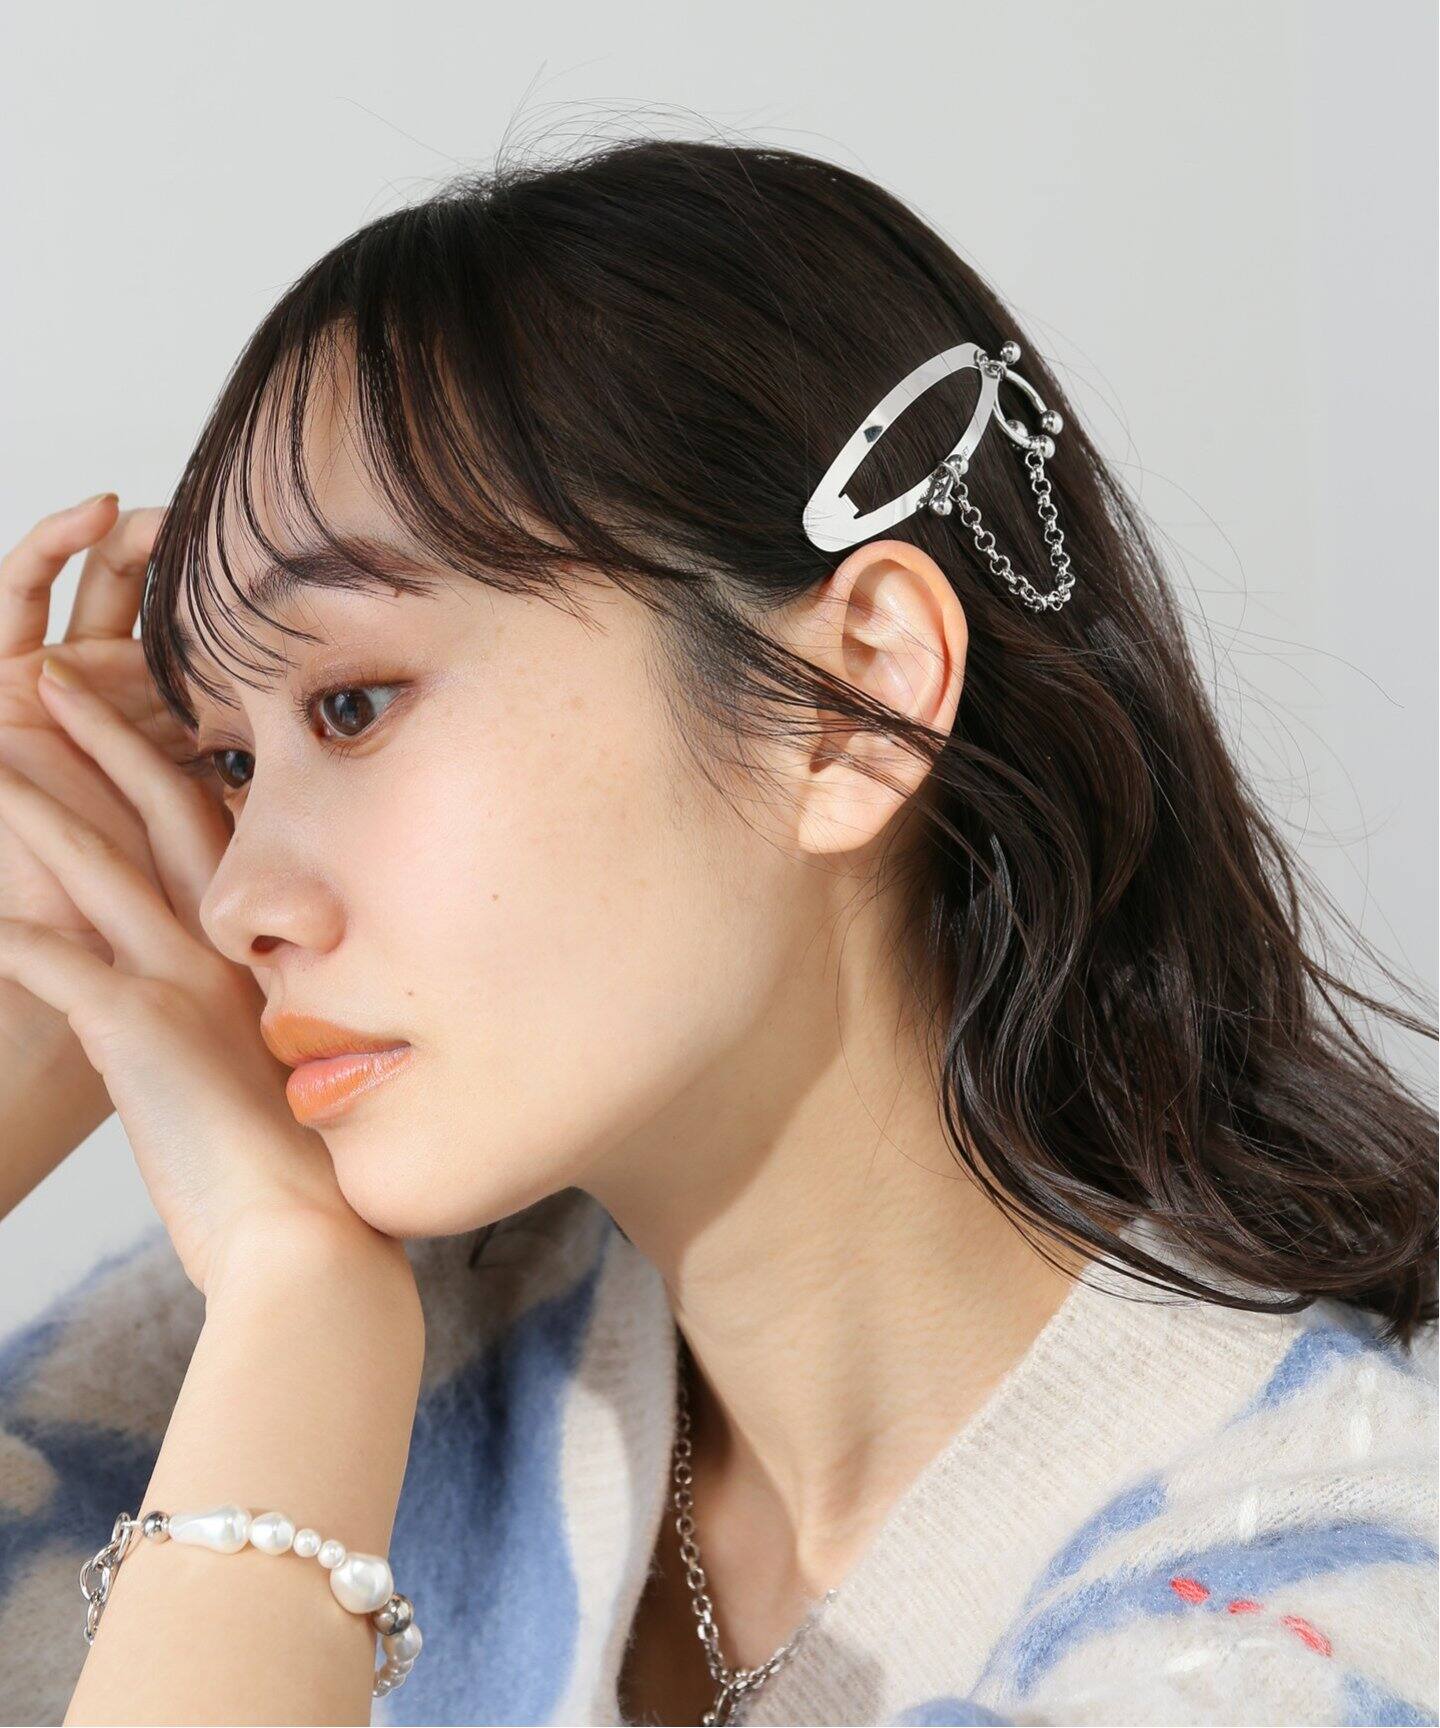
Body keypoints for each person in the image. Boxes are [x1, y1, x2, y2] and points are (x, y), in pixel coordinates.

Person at [0, 135, 1434, 1728]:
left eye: (352, 705)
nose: (233, 899)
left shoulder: (1317, 1601)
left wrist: (300, 1308)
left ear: (852, 704)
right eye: (228, 763)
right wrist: (31, 1026)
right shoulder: (371, 1330)